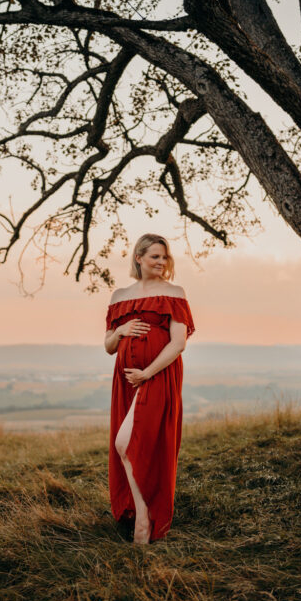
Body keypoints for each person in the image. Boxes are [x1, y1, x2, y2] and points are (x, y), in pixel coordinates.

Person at [104, 233, 194, 544]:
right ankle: (140, 512)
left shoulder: (174, 293)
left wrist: (147, 373)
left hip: (157, 375)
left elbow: (178, 343)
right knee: (132, 444)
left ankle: (144, 517)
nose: (161, 262)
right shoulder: (119, 296)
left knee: (126, 442)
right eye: (155, 256)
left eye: (165, 257)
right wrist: (121, 330)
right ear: (139, 257)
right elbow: (107, 346)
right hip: (126, 380)